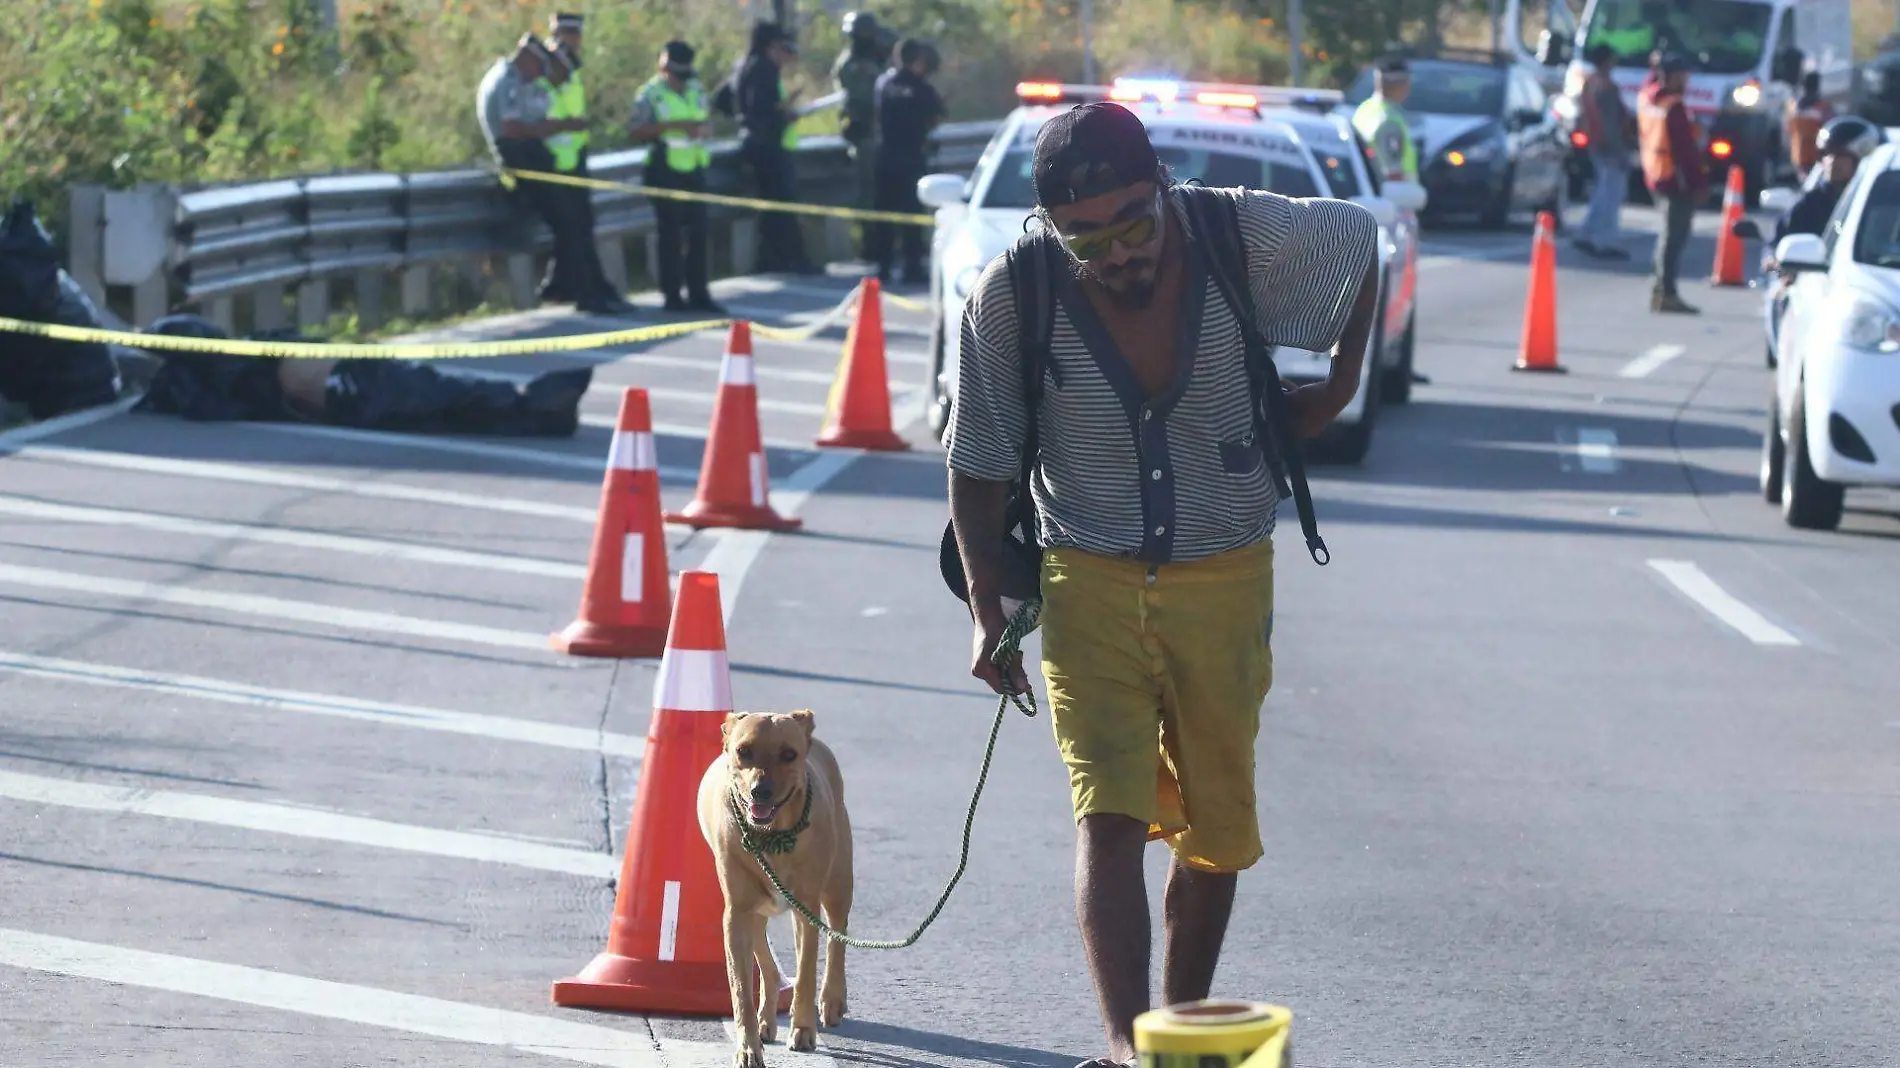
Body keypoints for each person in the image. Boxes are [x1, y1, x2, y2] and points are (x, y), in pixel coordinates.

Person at [944, 102, 1380, 1068]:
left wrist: (1340, 384)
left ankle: (1177, 1030)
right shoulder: (1012, 295)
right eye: (1086, 237)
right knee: (1110, 813)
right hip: (1086, 575)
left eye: (1135, 225)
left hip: (1223, 574)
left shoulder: (1234, 230)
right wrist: (986, 612)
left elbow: (1360, 241)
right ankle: (1124, 1045)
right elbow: (976, 472)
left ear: (1164, 194)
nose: (1117, 254)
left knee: (1216, 828)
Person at [135, 314, 595, 437]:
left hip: (354, 380)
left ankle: (540, 403)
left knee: (445, 399)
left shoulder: (238, 360)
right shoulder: (236, 370)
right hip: (349, 390)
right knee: (444, 410)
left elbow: (211, 406)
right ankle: (541, 413)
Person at [476, 34, 633, 317]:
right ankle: (586, 294)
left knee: (573, 222)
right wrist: (556, 127)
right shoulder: (508, 81)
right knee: (568, 223)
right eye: (540, 66)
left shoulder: (522, 80)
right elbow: (512, 129)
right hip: (520, 159)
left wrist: (546, 127)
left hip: (534, 155)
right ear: (528, 58)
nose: (542, 74)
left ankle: (574, 287)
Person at [628, 41, 727, 315]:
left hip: (693, 168)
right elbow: (635, 130)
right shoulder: (650, 95)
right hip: (664, 169)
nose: (681, 82)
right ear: (664, 69)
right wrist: (674, 127)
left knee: (698, 233)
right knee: (670, 235)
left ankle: (699, 293)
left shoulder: (696, 90)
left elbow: (706, 120)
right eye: (676, 76)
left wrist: (704, 129)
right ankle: (672, 295)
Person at [737, 21, 820, 275]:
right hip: (768, 147)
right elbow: (763, 112)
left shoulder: (747, 67)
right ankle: (794, 259)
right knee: (784, 206)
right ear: (771, 46)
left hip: (760, 145)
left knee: (772, 208)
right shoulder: (763, 69)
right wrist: (786, 114)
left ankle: (772, 259)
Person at [868, 37, 945, 286]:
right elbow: (937, 114)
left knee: (885, 215)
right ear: (918, 61)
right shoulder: (922, 89)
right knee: (911, 215)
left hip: (884, 158)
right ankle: (912, 266)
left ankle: (883, 265)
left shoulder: (882, 83)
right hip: (910, 158)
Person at [1637, 51, 1709, 314]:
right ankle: (1666, 292)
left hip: (1656, 174)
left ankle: (1660, 289)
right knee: (1674, 238)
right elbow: (1686, 151)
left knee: (1668, 235)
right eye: (1683, 75)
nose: (1687, 80)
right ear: (1674, 77)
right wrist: (1699, 183)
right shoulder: (1673, 107)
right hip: (1676, 180)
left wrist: (1655, 66)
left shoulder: (1647, 97)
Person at [1574, 42, 1634, 260]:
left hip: (1596, 144)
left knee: (1602, 190)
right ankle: (1605, 240)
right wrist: (1619, 151)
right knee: (1612, 193)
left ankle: (1587, 232)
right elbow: (1610, 123)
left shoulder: (1589, 84)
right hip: (1609, 146)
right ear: (1608, 62)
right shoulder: (1606, 88)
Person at [833, 10, 888, 239]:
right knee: (868, 194)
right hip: (863, 135)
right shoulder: (850, 65)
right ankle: (871, 240)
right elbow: (862, 97)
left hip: (884, 135)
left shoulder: (876, 60)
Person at [1352, 56, 1417, 184]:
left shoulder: (1364, 109)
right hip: (1395, 198)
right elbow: (1393, 174)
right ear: (1401, 85)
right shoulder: (1389, 120)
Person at [1785, 71, 1837, 179]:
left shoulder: (1793, 106)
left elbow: (1787, 130)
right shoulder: (1824, 108)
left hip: (1800, 157)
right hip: (1816, 158)